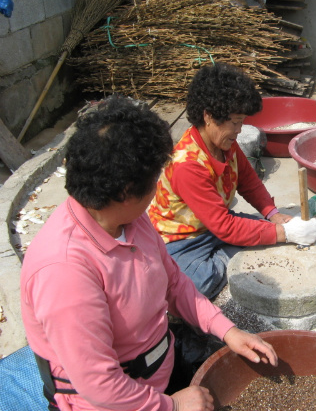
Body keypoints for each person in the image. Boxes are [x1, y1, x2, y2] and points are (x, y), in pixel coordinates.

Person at [21, 96, 278, 411]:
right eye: (155, 180)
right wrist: (171, 405)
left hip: (157, 369)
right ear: (126, 191)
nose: (158, 189)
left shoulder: (129, 218)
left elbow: (173, 282)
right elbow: (100, 385)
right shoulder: (63, 271)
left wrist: (227, 330)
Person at [148, 63, 316, 299]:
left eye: (242, 121)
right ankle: (230, 255)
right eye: (235, 122)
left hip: (215, 226)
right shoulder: (187, 164)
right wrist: (281, 234)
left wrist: (273, 214)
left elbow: (249, 182)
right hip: (182, 242)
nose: (240, 130)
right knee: (197, 284)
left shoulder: (224, 143)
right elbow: (225, 226)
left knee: (289, 226)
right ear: (208, 116)